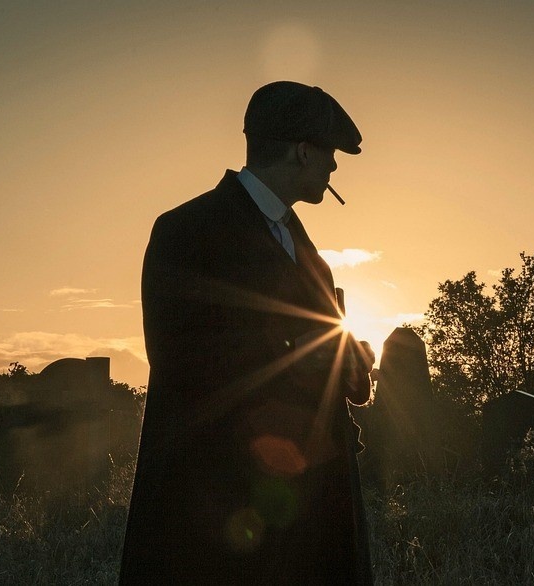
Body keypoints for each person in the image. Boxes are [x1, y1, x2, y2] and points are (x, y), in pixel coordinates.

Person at [119, 81, 376, 584]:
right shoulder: (186, 231)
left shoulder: (309, 255)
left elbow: (322, 360)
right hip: (222, 517)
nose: (335, 167)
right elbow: (180, 357)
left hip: (307, 518)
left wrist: (351, 363)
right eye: (329, 153)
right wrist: (299, 353)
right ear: (303, 151)